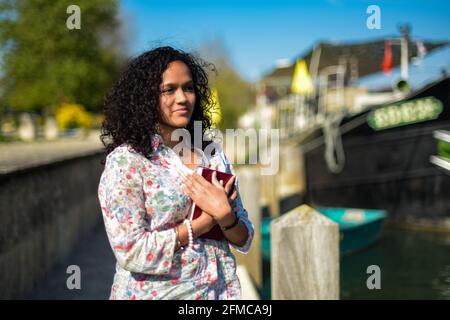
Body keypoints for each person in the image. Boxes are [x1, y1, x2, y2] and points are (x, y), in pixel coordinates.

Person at [98, 46, 254, 300]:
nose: (182, 98)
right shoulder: (128, 162)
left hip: (219, 294)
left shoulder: (212, 155)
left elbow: (244, 238)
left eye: (188, 88)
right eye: (169, 89)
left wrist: (226, 217)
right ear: (145, 98)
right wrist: (201, 225)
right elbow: (130, 251)